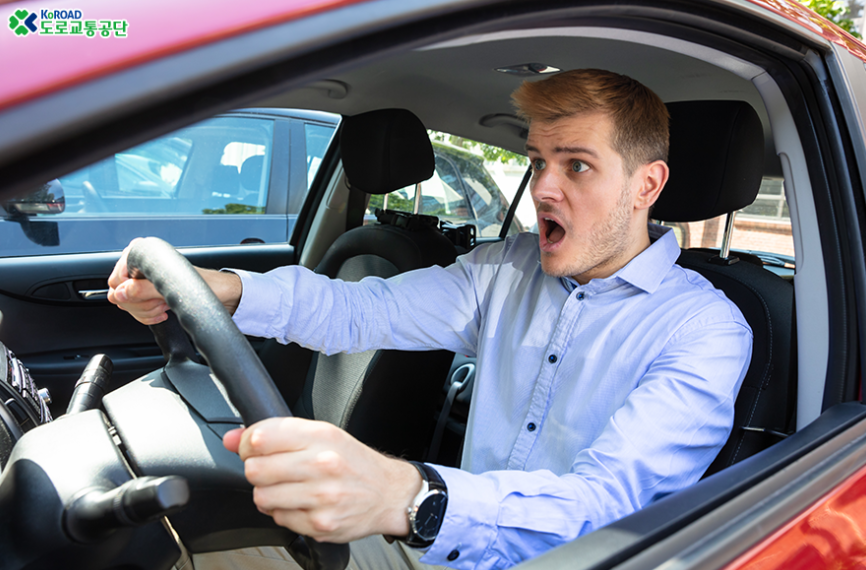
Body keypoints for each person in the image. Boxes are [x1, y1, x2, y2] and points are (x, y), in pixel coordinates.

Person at [108, 69, 752, 570]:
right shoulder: (506, 268)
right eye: (537, 162)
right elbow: (361, 310)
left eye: (576, 165)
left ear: (646, 186)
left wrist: (408, 495)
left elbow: (607, 507)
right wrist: (225, 290)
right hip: (444, 550)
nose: (542, 189)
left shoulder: (704, 331)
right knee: (172, 541)